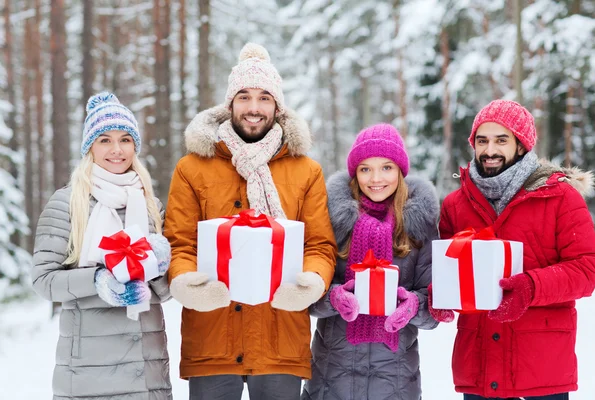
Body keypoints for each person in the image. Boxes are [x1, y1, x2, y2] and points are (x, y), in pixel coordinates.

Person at [164, 43, 337, 400]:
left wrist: (312, 282)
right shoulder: (192, 167)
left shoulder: (307, 171)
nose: (254, 108)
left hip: (280, 335)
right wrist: (183, 282)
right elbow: (180, 243)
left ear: (277, 106)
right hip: (213, 333)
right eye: (244, 97)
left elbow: (319, 246)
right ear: (229, 104)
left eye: (264, 98)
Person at [431, 99, 595, 400]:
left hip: (541, 369)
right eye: (482, 140)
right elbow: (452, 272)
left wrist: (531, 287)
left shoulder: (560, 197)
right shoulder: (455, 205)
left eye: (501, 140)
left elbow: (587, 268)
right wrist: (443, 295)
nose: (490, 150)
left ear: (521, 145)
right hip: (479, 369)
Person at [31, 92, 173, 400]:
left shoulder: (150, 205)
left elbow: (163, 291)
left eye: (125, 139)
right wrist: (98, 281)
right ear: (90, 147)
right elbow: (43, 280)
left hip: (146, 369)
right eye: (105, 140)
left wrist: (160, 266)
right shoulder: (68, 203)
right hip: (88, 372)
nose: (117, 150)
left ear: (135, 146)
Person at [302, 123, 440, 400]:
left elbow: (436, 308)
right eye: (365, 168)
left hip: (395, 379)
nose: (376, 178)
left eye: (386, 167)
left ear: (400, 171)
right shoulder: (330, 219)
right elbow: (305, 296)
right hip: (331, 377)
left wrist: (413, 305)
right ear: (355, 174)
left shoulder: (420, 225)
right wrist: (334, 298)